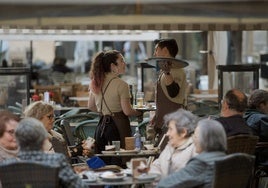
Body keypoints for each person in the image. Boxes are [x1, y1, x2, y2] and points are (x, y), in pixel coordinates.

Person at [1, 117, 85, 188]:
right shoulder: (56, 160)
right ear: (42, 139)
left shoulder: (6, 165)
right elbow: (79, 186)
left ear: (18, 140)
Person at [88, 50, 143, 155]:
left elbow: (91, 106)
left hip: (101, 127)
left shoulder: (96, 82)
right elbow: (127, 111)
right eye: (121, 60)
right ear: (113, 66)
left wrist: (104, 111)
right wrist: (139, 112)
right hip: (118, 127)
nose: (124, 63)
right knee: (121, 158)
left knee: (104, 162)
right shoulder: (122, 85)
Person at [156, 118, 227, 188]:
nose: (193, 139)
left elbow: (164, 185)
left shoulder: (201, 163)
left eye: (195, 136)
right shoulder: (225, 158)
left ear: (204, 140)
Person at [149, 38, 187, 143]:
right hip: (164, 121)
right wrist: (156, 116)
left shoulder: (176, 69)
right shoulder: (166, 69)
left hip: (173, 122)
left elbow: (173, 92)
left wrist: (167, 73)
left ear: (165, 50)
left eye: (156, 50)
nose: (154, 53)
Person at [23, 101, 91, 156]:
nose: (53, 120)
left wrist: (79, 148)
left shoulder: (54, 134)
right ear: (37, 118)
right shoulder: (34, 137)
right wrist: (76, 150)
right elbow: (53, 156)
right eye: (50, 117)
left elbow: (61, 151)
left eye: (53, 116)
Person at [149, 109, 198, 179]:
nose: (167, 133)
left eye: (170, 129)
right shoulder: (170, 146)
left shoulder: (195, 150)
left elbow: (188, 178)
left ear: (183, 132)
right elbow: (157, 165)